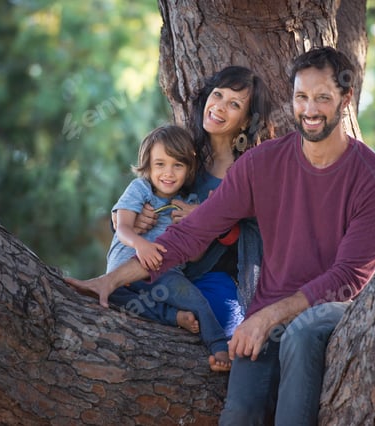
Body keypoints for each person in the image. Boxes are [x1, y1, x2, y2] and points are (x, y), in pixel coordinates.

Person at [67, 46, 375, 424]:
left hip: (330, 310)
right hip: (265, 316)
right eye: (301, 97)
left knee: (301, 335)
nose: (309, 109)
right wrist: (110, 280)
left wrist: (267, 317)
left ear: (346, 98)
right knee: (240, 412)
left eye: (322, 98)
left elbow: (349, 279)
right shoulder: (261, 164)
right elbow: (191, 234)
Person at [107, 65, 275, 350]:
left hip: (213, 275)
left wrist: (210, 219)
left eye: (234, 104)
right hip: (164, 265)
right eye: (218, 95)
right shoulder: (186, 150)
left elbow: (259, 232)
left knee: (220, 319)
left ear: (247, 120)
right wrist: (135, 217)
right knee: (120, 293)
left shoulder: (249, 170)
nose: (219, 107)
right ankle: (172, 315)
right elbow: (145, 185)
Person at [106, 124, 234, 372]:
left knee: (195, 300)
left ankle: (219, 347)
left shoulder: (189, 203)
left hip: (166, 274)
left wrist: (198, 226)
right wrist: (141, 245)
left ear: (188, 170)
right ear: (148, 166)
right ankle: (172, 317)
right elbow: (122, 228)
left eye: (178, 165)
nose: (169, 173)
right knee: (115, 298)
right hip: (125, 270)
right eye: (160, 164)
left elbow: (195, 256)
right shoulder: (140, 189)